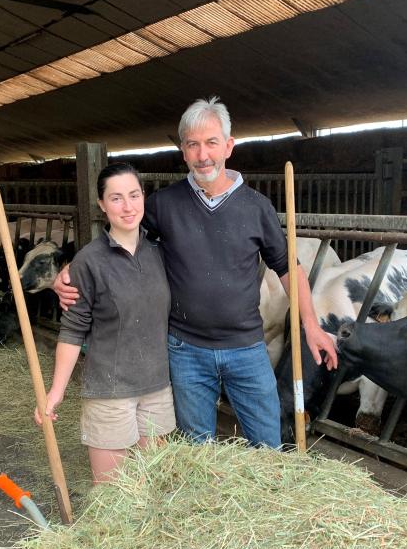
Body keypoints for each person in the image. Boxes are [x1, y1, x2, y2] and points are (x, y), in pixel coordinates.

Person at [54, 97, 337, 448]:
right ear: (183, 152)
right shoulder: (162, 205)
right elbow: (120, 239)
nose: (203, 155)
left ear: (229, 147)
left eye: (211, 143)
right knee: (195, 452)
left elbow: (287, 268)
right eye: (193, 145)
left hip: (247, 347)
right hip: (186, 349)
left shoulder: (256, 207)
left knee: (268, 446)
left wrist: (311, 326)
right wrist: (70, 270)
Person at [35, 163, 175, 484]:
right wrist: (55, 393)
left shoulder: (160, 251)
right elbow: (72, 329)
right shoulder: (89, 260)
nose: (127, 206)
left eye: (134, 195)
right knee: (114, 496)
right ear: (101, 205)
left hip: (157, 390)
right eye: (115, 198)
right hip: (109, 392)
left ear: (144, 197)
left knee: (154, 487)